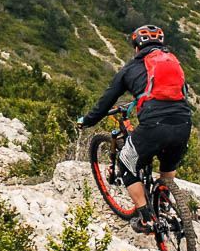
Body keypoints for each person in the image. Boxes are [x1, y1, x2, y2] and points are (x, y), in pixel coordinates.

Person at [77, 25, 193, 233]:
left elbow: (106, 102)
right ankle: (164, 204)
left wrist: (86, 121)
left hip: (154, 126)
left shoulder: (130, 68)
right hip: (183, 123)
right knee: (168, 164)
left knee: (126, 162)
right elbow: (181, 94)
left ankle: (145, 218)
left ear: (137, 46)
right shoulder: (174, 63)